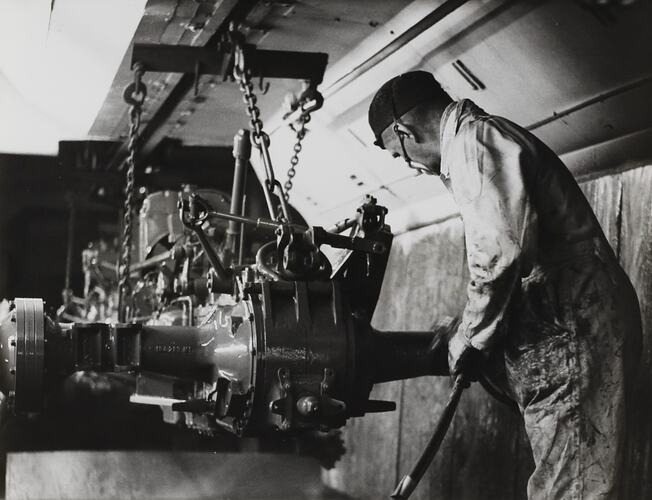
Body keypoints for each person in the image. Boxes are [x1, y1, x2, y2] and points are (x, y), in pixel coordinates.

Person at [368, 70, 642, 499]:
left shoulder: (473, 144)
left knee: (571, 488)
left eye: (399, 154)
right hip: (571, 320)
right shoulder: (483, 140)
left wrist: (470, 339)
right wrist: (466, 330)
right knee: (573, 479)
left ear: (403, 131)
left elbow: (499, 255)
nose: (409, 166)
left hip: (573, 326)